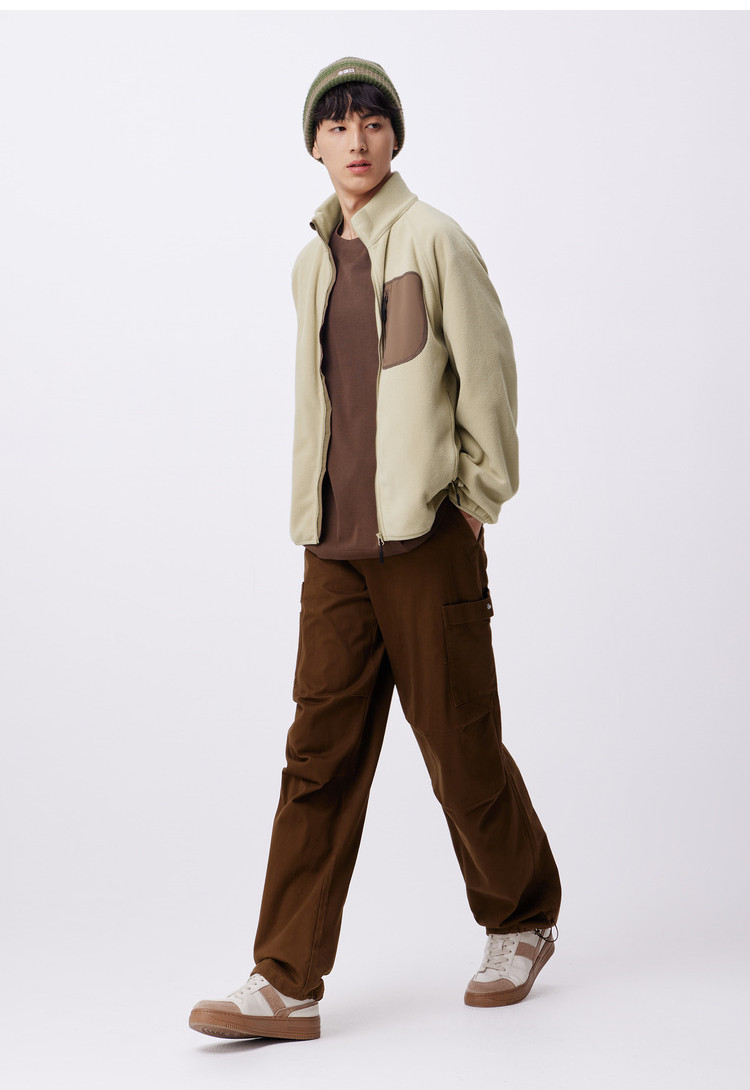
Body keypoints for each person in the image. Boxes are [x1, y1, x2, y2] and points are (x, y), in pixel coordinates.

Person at [189, 56, 562, 1042]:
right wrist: (316, 518)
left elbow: (490, 376)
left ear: (394, 137)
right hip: (335, 551)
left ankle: (523, 918)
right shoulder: (310, 263)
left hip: (426, 538)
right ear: (313, 143)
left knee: (458, 743)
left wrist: (476, 498)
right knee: (316, 758)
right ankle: (285, 979)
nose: (356, 141)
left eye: (373, 123)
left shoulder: (435, 238)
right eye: (337, 125)